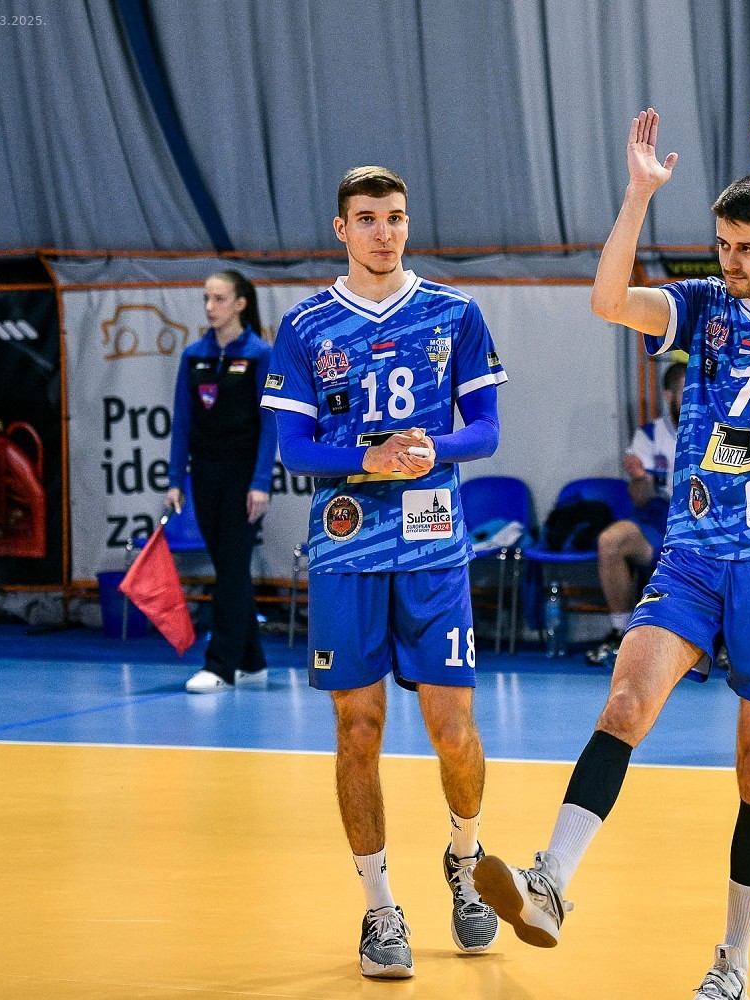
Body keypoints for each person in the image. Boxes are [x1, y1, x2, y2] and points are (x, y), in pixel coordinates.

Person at [474, 100, 750, 1000]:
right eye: (723, 244)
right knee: (625, 703)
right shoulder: (702, 304)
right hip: (694, 553)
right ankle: (550, 883)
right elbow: (608, 300)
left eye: (747, 246)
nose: (732, 261)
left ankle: (733, 959)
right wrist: (639, 196)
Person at [261, 166, 507, 979]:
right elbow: (294, 449)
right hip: (346, 552)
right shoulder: (306, 325)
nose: (383, 232)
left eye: (395, 217)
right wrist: (367, 459)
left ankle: (465, 861)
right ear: (342, 229)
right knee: (358, 729)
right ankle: (378, 908)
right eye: (367, 218)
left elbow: (487, 430)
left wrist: (437, 447)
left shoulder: (455, 312)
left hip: (434, 549)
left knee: (453, 729)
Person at [166, 270, 277, 694]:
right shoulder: (193, 355)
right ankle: (252, 661)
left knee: (231, 569)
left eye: (219, 298)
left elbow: (269, 424)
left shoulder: (260, 355)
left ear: (240, 303)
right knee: (229, 568)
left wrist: (261, 482)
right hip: (204, 475)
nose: (210, 307)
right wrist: (176, 479)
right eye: (206, 298)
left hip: (243, 477)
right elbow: (183, 420)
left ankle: (220, 666)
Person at [586, 360, 685, 667]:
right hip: (659, 514)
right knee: (610, 541)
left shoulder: (715, 430)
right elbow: (640, 500)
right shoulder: (650, 435)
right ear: (669, 395)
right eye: (686, 392)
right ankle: (621, 631)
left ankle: (726, 642)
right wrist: (640, 478)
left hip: (704, 517)